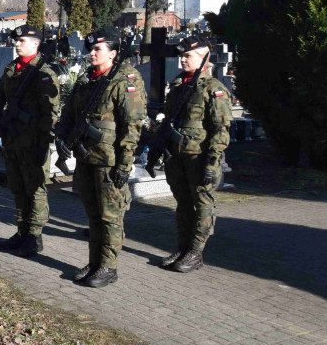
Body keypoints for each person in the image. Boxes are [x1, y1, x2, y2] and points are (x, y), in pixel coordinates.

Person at [54, 26, 146, 288]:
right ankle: (95, 261)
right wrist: (62, 136)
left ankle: (108, 266)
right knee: (93, 214)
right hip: (86, 157)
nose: (92, 53)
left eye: (98, 50)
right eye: (91, 49)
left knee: (110, 216)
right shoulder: (87, 79)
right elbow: (69, 113)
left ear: (113, 53)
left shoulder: (126, 80)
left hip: (110, 160)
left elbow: (132, 125)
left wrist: (125, 164)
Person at [159, 34, 232, 273]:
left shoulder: (214, 89)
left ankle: (196, 252)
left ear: (204, 58)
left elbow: (220, 129)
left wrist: (212, 162)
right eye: (182, 56)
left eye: (188, 55)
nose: (183, 60)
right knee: (182, 204)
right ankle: (183, 247)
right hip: (177, 156)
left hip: (199, 157)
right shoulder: (179, 85)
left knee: (202, 205)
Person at [0, 24, 60, 257]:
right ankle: (22, 231)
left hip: (33, 141)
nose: (16, 44)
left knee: (34, 189)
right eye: (16, 41)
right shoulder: (12, 68)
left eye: (22, 41)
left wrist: (43, 142)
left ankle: (34, 236)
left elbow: (51, 112)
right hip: (12, 138)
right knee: (18, 188)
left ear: (36, 44)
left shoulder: (44, 73)